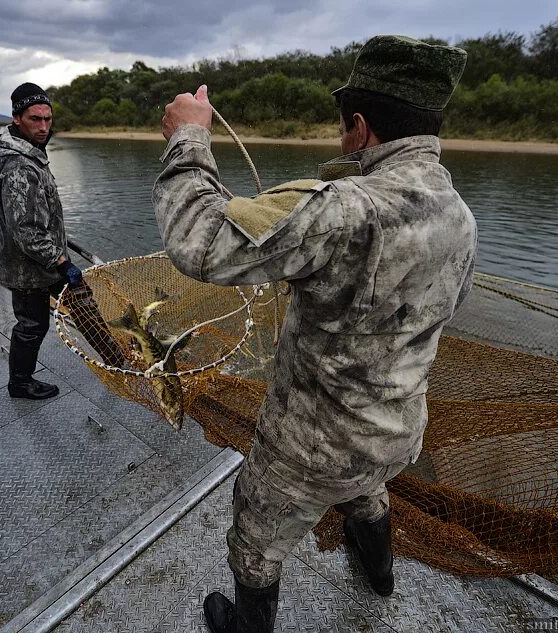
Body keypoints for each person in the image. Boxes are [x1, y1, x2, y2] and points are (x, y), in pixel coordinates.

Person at [155, 35, 477, 633]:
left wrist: (189, 138)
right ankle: (378, 576)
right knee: (368, 486)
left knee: (255, 536)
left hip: (309, 450)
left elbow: (197, 245)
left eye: (341, 126)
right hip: (398, 431)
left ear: (360, 126)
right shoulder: (458, 213)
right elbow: (449, 305)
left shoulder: (341, 208)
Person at [0, 82, 84, 399]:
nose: (43, 127)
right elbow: (27, 230)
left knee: (83, 305)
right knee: (32, 325)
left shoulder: (29, 151)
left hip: (42, 260)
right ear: (17, 118)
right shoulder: (17, 165)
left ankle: (116, 356)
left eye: (47, 118)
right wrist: (62, 262)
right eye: (34, 119)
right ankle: (20, 383)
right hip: (29, 266)